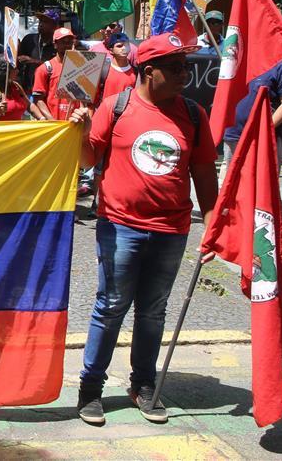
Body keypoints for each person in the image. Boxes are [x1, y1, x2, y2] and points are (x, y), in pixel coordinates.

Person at [69, 32, 218, 426]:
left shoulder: (194, 115)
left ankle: (144, 384)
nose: (184, 75)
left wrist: (215, 221)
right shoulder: (114, 107)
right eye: (175, 68)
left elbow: (203, 173)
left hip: (172, 230)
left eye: (187, 67)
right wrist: (81, 131)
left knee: (153, 311)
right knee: (110, 307)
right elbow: (87, 160)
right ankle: (91, 389)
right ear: (148, 72)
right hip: (120, 227)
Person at [218, 58, 282, 182]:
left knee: (262, 188)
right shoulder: (241, 60)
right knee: (231, 187)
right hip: (233, 134)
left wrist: (263, 129)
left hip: (262, 138)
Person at [32, 26, 79, 121]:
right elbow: (38, 100)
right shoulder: (45, 69)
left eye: (69, 42)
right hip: (55, 126)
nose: (67, 45)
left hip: (75, 124)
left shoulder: (80, 67)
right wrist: (52, 121)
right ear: (55, 45)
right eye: (63, 42)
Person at [0, 54, 40, 121]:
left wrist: (41, 118)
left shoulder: (16, 86)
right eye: (14, 68)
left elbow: (29, 105)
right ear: (4, 71)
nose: (17, 71)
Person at [98, 33, 138, 101]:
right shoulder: (103, 71)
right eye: (119, 46)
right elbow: (93, 99)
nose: (124, 48)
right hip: (105, 110)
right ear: (111, 50)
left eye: (126, 45)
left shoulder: (136, 72)